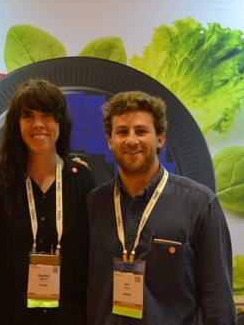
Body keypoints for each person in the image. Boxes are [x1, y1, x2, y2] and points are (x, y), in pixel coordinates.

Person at [87, 91, 235, 324]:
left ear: (160, 139)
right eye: (122, 132)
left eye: (141, 131)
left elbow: (218, 301)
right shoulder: (95, 204)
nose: (131, 140)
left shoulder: (199, 204)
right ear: (110, 141)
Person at [0, 78, 95, 324]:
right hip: (7, 317)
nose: (38, 124)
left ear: (60, 122)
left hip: (68, 318)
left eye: (47, 115)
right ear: (16, 125)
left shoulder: (82, 179)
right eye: (28, 116)